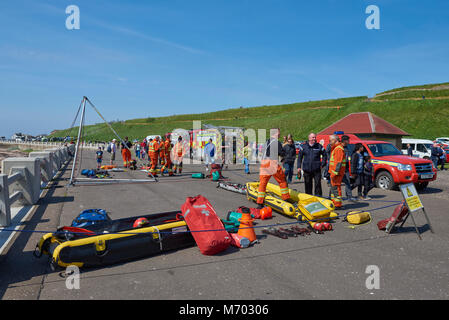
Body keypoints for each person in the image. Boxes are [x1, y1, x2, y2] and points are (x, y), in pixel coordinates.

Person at [256, 128, 290, 209]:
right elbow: (281, 153)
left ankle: (260, 202)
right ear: (276, 133)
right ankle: (286, 198)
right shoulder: (276, 142)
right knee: (282, 180)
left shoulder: (267, 141)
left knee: (263, 183)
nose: (280, 134)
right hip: (272, 163)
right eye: (279, 133)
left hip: (264, 163)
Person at [328, 134, 347, 209]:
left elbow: (338, 163)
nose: (329, 142)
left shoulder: (338, 149)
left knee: (336, 188)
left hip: (336, 173)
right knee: (334, 188)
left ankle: (337, 204)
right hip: (334, 172)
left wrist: (334, 173)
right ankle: (334, 202)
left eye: (330, 140)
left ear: (335, 140)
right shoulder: (336, 148)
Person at [341, 135, 356, 202]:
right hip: (339, 168)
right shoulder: (339, 147)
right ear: (345, 141)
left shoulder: (346, 147)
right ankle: (331, 196)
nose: (349, 142)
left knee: (347, 181)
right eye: (348, 140)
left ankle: (349, 196)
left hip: (346, 167)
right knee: (336, 183)